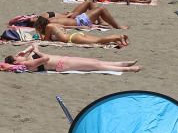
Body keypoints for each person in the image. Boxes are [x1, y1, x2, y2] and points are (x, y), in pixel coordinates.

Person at [5, 46, 140, 72]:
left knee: (94, 62)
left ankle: (123, 63)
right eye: (17, 56)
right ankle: (128, 68)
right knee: (96, 66)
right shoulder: (29, 64)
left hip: (64, 60)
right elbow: (45, 58)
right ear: (16, 62)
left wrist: (24, 51)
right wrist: (36, 51)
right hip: (62, 65)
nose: (19, 55)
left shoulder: (26, 57)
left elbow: (33, 44)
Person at [33, 15, 128, 47]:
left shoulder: (49, 27)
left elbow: (45, 41)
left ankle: (118, 37)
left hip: (72, 38)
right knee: (99, 40)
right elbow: (65, 27)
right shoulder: (55, 25)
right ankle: (118, 39)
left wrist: (39, 33)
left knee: (98, 41)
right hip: (74, 35)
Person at [37, 0, 125, 30]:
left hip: (77, 19)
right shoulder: (52, 24)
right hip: (81, 22)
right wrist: (79, 27)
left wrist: (68, 15)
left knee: (92, 4)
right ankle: (118, 27)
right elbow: (65, 27)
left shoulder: (50, 21)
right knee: (101, 9)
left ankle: (103, 21)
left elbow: (65, 23)